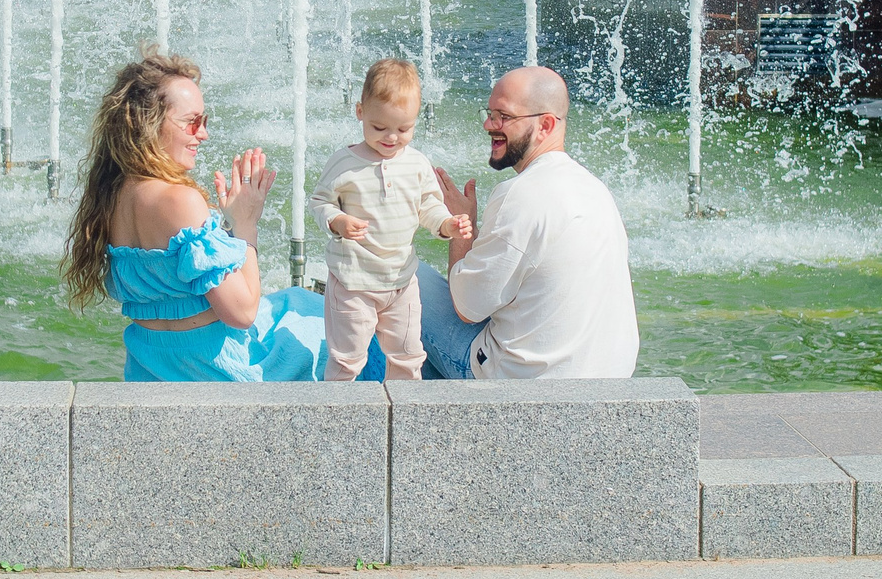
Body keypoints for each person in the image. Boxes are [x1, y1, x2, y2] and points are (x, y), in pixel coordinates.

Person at [60, 50, 363, 381]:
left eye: (204, 121)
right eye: (192, 122)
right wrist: (244, 226)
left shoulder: (111, 196)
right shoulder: (179, 201)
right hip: (217, 371)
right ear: (149, 123)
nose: (202, 134)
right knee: (327, 318)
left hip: (149, 370)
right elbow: (242, 313)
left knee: (293, 301)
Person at [415, 65, 638, 380]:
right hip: (608, 388)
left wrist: (461, 226)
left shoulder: (521, 194)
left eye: (503, 116)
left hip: (524, 391)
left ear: (545, 124)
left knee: (402, 272)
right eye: (489, 113)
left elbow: (467, 308)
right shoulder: (594, 189)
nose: (488, 124)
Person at [309, 58, 468, 382]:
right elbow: (319, 201)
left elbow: (427, 205)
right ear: (360, 112)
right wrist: (337, 220)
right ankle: (335, 418)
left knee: (408, 356)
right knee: (346, 359)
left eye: (403, 129)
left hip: (401, 282)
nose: (391, 138)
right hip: (352, 281)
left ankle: (404, 416)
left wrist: (445, 224)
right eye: (379, 127)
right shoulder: (345, 163)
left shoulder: (417, 164)